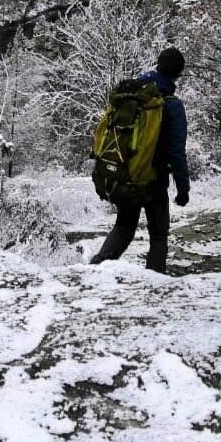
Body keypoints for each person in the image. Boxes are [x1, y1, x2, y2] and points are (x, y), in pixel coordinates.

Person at [89, 47, 191, 274]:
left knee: (124, 227)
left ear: (157, 65)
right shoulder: (171, 105)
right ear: (178, 74)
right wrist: (183, 188)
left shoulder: (132, 95)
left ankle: (95, 269)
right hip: (153, 181)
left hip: (126, 173)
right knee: (158, 235)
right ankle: (154, 283)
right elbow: (176, 151)